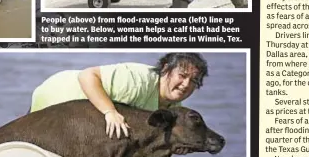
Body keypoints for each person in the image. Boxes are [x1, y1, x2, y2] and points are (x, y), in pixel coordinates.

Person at [30, 52, 208, 139]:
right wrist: (110, 112)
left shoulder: (172, 107)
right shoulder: (136, 81)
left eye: (193, 81)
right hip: (59, 94)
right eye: (182, 76)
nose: (186, 85)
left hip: (83, 116)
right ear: (166, 69)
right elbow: (86, 75)